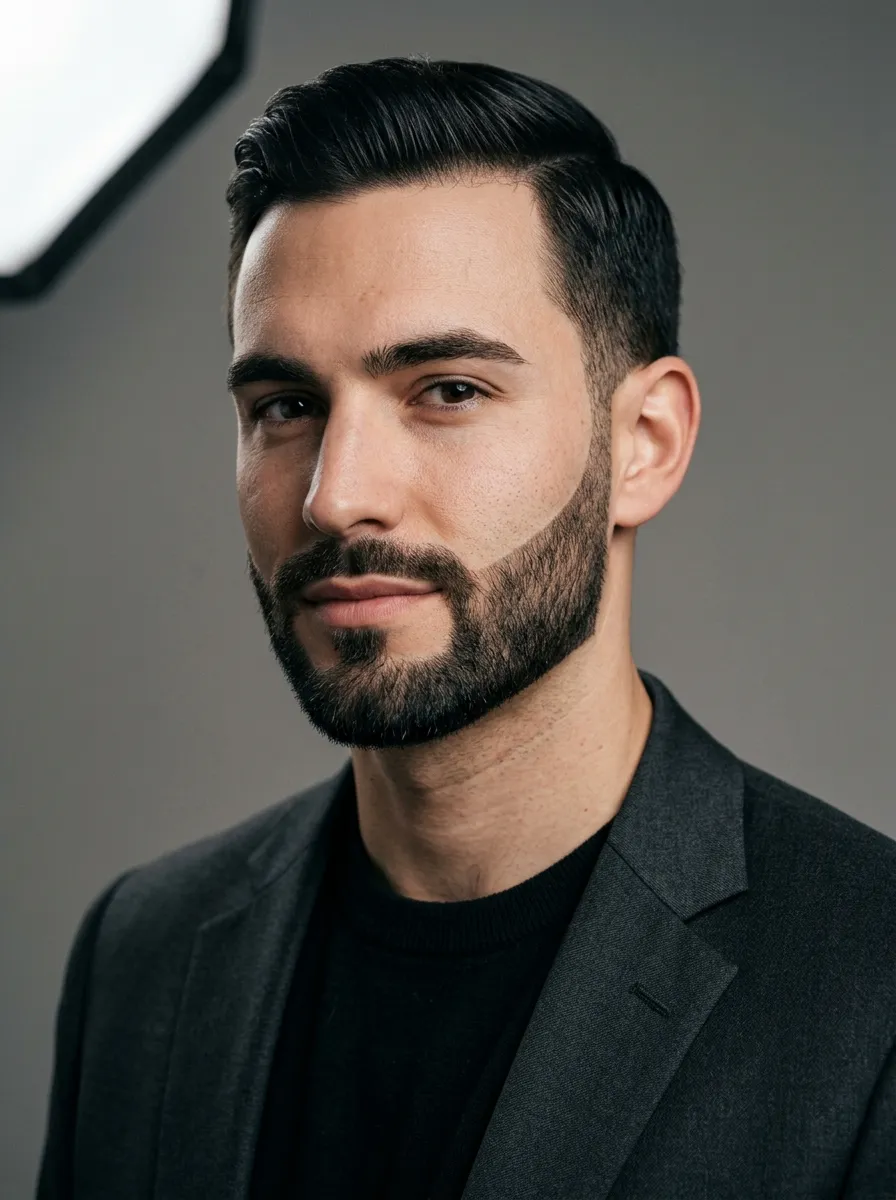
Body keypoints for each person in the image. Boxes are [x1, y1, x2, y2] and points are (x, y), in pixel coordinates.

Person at [37, 56, 895, 1200]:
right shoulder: (142, 956)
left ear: (643, 441)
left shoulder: (868, 986)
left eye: (446, 390)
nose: (335, 496)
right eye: (284, 407)